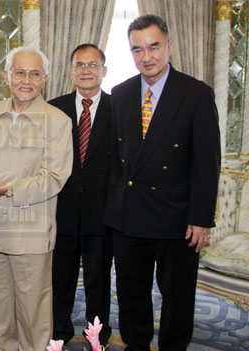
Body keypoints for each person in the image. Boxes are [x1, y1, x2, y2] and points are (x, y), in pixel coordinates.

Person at [105, 14, 220, 351]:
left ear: (169, 46)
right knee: (131, 292)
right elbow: (115, 156)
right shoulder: (121, 93)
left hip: (177, 219)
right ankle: (136, 345)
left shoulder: (196, 94)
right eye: (138, 49)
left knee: (178, 297)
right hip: (128, 217)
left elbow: (207, 162)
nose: (147, 56)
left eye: (154, 46)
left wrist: (201, 218)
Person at [0, 47, 73, 351]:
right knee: (0, 307)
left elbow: (54, 177)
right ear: (6, 76)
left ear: (44, 79)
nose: (26, 80)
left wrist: (9, 188)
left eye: (34, 73)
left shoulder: (58, 121)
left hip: (30, 231)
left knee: (33, 313)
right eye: (19, 72)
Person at [48, 43, 113, 347]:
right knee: (60, 277)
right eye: (80, 65)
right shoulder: (53, 107)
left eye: (93, 64)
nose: (86, 70)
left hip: (102, 212)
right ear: (71, 70)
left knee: (98, 280)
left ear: (104, 70)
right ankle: (59, 332)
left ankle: (96, 335)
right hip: (62, 208)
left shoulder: (119, 107)